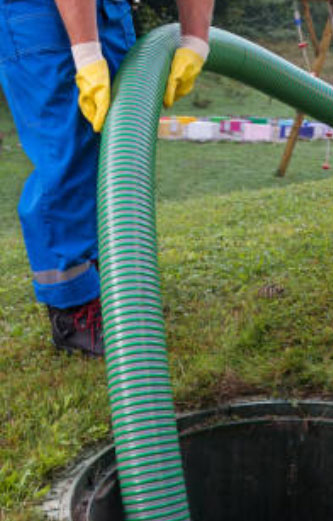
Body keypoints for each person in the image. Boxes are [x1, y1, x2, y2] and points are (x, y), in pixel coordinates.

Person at [0, 0, 214, 356]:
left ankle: (108, 284)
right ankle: (74, 309)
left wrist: (195, 40)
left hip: (109, 10)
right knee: (66, 151)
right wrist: (85, 54)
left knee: (114, 144)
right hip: (35, 14)